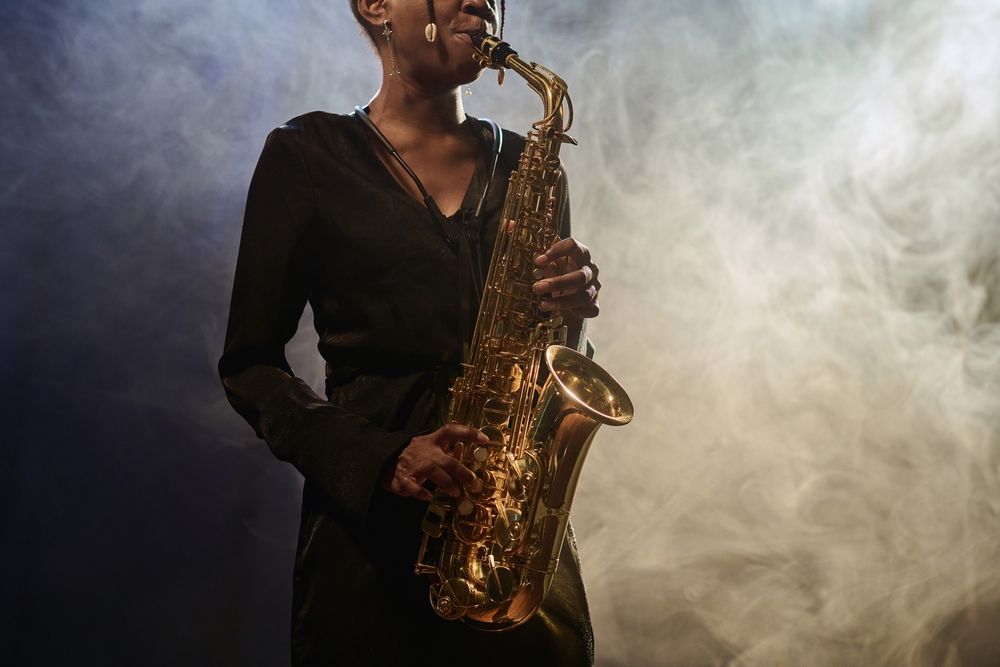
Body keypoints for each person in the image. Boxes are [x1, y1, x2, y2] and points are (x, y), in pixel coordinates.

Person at [218, 1, 604, 664]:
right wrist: (377, 456)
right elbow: (249, 366)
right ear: (375, 6)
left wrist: (568, 312)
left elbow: (543, 365)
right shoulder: (306, 156)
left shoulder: (531, 168)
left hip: (508, 548)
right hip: (367, 560)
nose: (482, 2)